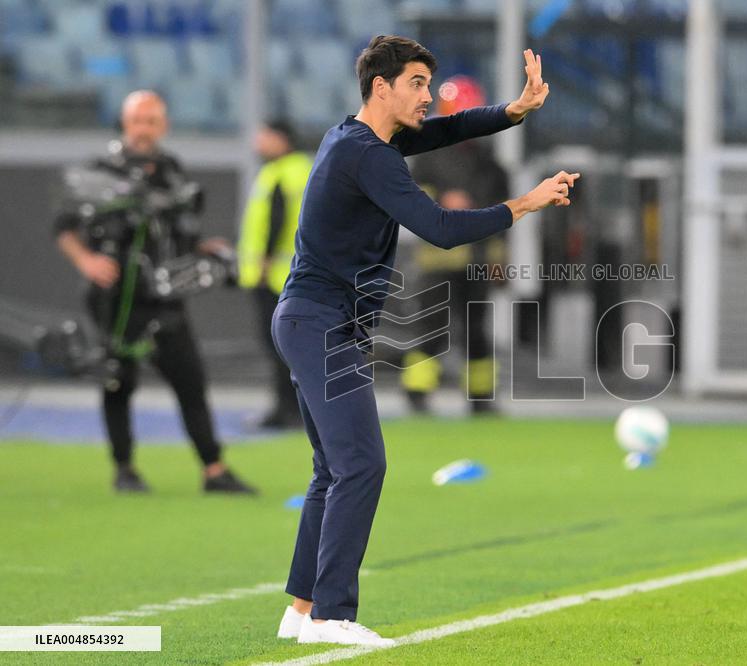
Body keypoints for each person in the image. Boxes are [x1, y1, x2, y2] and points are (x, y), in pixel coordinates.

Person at [271, 35, 578, 646]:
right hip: (319, 321)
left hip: (314, 319)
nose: (428, 96)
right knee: (361, 464)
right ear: (381, 87)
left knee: (332, 469)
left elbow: (450, 128)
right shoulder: (370, 155)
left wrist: (514, 111)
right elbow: (438, 228)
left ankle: (302, 611)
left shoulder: (357, 137)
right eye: (416, 83)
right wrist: (526, 203)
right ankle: (332, 616)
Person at [54, 90, 257, 496]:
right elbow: (63, 226)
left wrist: (202, 252)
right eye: (137, 121)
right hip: (118, 297)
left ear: (163, 125)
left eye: (151, 121)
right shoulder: (101, 170)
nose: (144, 129)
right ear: (124, 123)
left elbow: (178, 231)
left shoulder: (171, 170)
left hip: (165, 296)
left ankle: (213, 470)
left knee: (190, 380)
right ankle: (124, 469)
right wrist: (87, 262)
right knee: (118, 383)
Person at [400, 75, 510, 415]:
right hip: (438, 258)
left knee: (476, 331)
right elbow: (413, 197)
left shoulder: (490, 162)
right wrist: (445, 200)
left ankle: (481, 398)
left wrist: (500, 259)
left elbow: (504, 213)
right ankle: (416, 393)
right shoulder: (428, 154)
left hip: (477, 258)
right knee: (431, 327)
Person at [237, 120, 312, 428]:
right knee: (296, 349)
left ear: (281, 138)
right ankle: (297, 410)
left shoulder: (280, 173)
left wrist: (265, 261)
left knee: (281, 349)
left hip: (276, 276)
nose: (258, 140)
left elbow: (276, 220)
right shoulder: (303, 169)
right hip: (299, 272)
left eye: (264, 134)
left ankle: (286, 410)